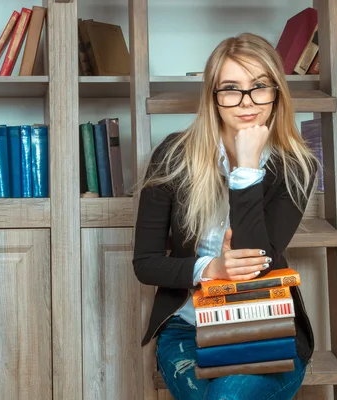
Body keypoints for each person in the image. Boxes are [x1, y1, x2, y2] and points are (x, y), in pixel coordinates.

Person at [132, 32, 318, 400]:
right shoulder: (174, 156)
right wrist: (209, 269)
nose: (246, 101)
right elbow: (146, 263)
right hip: (189, 331)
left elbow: (256, 265)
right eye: (231, 88)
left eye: (259, 86)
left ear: (276, 92)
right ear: (213, 97)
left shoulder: (298, 166)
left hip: (269, 329)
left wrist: (247, 168)